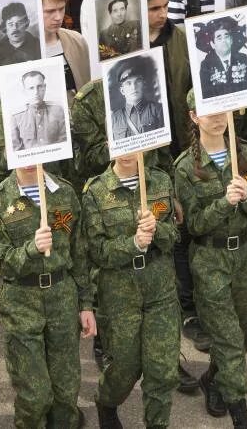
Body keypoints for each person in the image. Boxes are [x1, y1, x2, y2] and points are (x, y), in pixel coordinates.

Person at [173, 89, 247, 426]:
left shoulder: (246, 156)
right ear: (194, 117)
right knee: (227, 339)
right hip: (210, 258)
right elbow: (193, 224)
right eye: (207, 110)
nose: (216, 117)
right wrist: (223, 203)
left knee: (242, 335)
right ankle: (242, 417)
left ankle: (214, 378)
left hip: (245, 252)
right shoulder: (185, 168)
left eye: (221, 109)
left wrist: (245, 197)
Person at [0, 164, 96, 428]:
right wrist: (31, 248)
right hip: (22, 298)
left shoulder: (64, 192)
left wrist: (86, 304)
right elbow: (3, 264)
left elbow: (79, 253)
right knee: (35, 395)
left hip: (62, 295)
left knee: (66, 391)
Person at [82, 153, 179, 428]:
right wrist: (133, 243)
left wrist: (157, 228)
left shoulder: (159, 181)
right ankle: (106, 402)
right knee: (126, 367)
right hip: (119, 290)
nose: (127, 152)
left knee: (162, 370)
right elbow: (97, 252)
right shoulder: (96, 191)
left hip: (159, 286)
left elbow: (174, 237)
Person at [195, 17, 247, 98]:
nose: (224, 40)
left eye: (226, 36)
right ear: (213, 44)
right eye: (219, 38)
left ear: (231, 40)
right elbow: (205, 94)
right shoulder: (206, 64)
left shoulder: (242, 58)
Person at [10, 70, 67, 149]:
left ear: (45, 87)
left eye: (39, 86)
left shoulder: (58, 111)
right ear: (25, 91)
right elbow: (16, 148)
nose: (36, 92)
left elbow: (64, 141)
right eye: (31, 88)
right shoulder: (16, 117)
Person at [109, 57, 164, 139]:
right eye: (128, 83)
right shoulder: (114, 119)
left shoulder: (158, 110)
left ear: (144, 84)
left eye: (137, 81)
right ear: (122, 91)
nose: (133, 87)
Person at [0, 1, 40, 72]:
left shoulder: (39, 46)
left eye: (19, 23)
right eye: (10, 24)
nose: (15, 28)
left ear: (25, 24)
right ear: (5, 27)